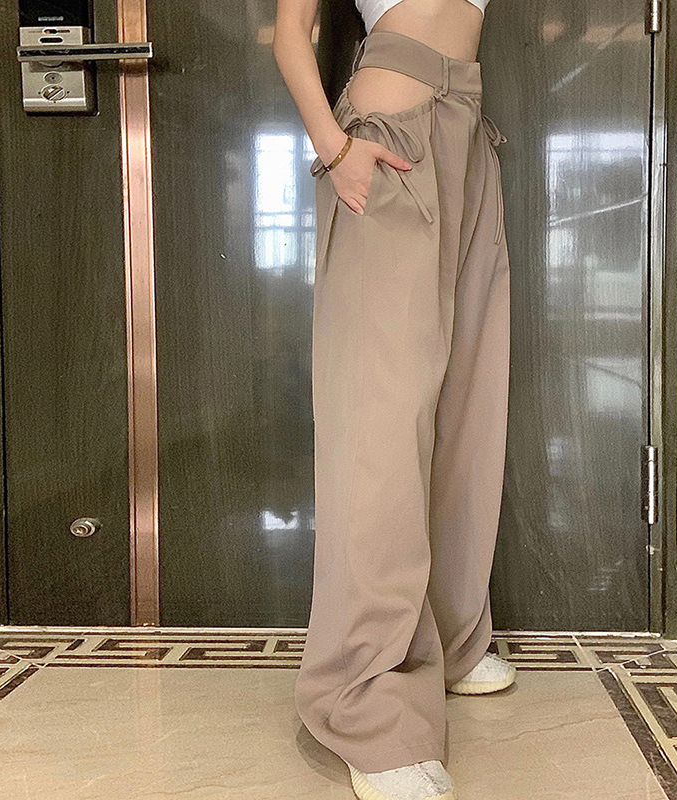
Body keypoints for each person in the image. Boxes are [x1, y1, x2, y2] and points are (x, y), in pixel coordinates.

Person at [274, 1, 513, 798]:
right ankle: (368, 702)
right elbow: (290, 33)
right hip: (390, 133)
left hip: (468, 129)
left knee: (466, 404)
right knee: (379, 415)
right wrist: (334, 147)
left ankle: (449, 637)